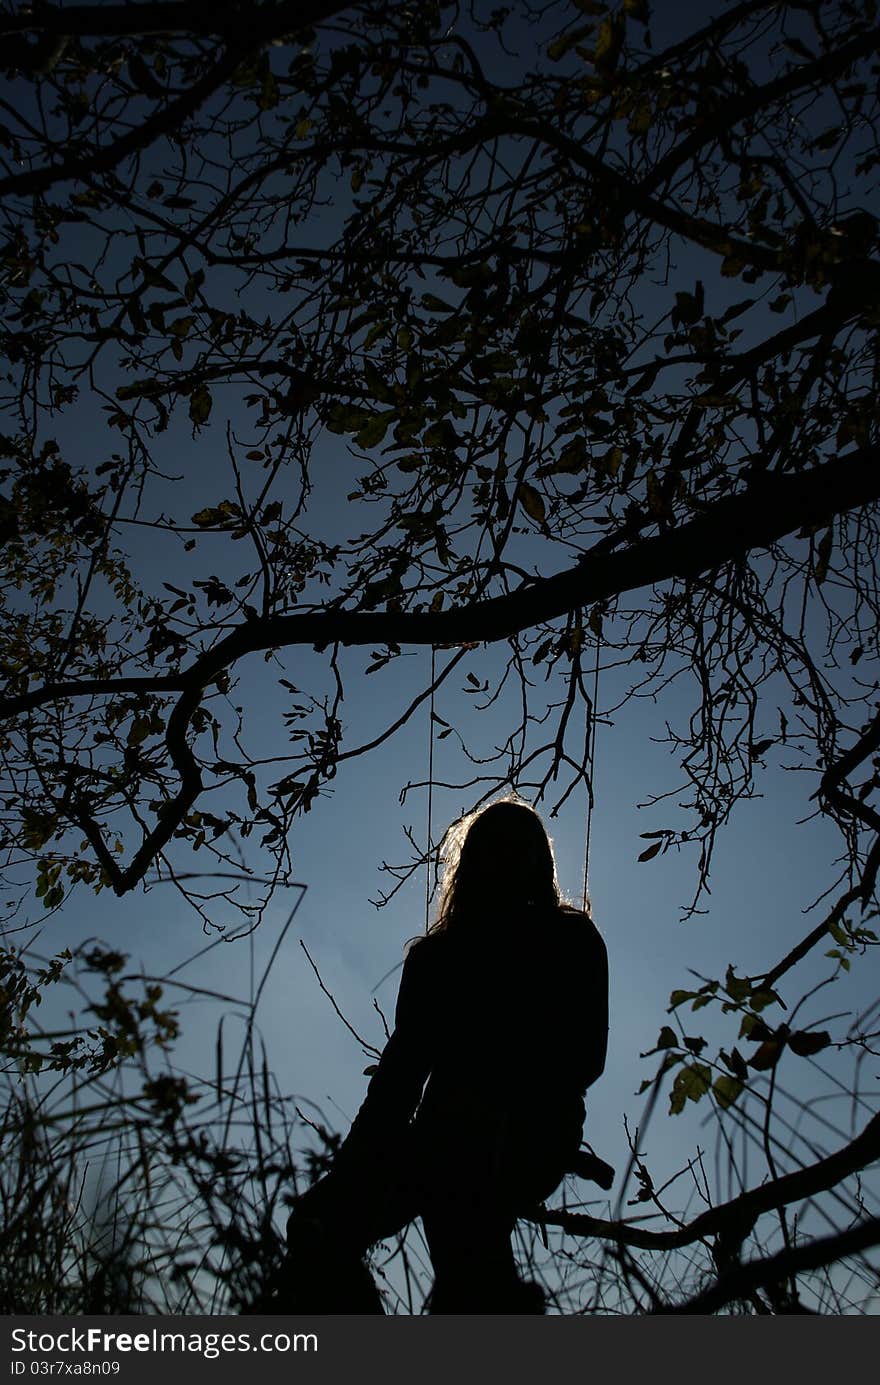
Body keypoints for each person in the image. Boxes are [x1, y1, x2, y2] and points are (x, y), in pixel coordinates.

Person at [282, 798, 609, 1314]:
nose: (506, 864)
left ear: (537, 864)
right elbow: (399, 1078)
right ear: (475, 862)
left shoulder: (570, 938)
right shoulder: (438, 957)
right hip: (439, 1135)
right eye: (496, 851)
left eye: (518, 852)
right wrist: (354, 1167)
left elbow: (585, 1056)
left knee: (465, 1238)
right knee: (316, 1224)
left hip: (533, 1131)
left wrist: (509, 1099)